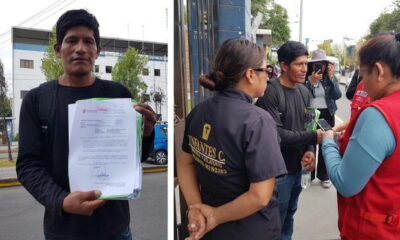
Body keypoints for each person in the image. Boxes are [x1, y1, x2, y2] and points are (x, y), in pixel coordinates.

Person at [16, 9, 156, 240]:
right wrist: (60, 200)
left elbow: (132, 159)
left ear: (97, 51)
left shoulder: (118, 95)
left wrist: (147, 132)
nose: (80, 48)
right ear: (58, 50)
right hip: (63, 230)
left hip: (115, 229)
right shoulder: (37, 100)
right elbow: (28, 165)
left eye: (88, 41)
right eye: (71, 40)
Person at [177, 38, 287, 240]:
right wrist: (214, 217)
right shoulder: (258, 121)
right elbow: (260, 196)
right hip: (251, 230)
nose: (269, 78)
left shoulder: (199, 112)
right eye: (266, 71)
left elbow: (184, 164)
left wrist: (195, 208)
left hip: (211, 231)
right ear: (251, 74)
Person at [322, 32, 400, 239]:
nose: (363, 85)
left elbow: (346, 183)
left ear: (378, 71)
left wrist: (328, 142)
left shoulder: (379, 114)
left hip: (371, 229)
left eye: (363, 76)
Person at [255, 41, 323, 240]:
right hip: (278, 172)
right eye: (299, 64)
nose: (305, 69)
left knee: (290, 214)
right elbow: (276, 135)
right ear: (284, 66)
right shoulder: (270, 92)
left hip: (299, 167)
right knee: (275, 218)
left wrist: (310, 150)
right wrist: (313, 137)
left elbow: (310, 124)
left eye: (306, 63)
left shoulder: (305, 91)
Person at [303, 49, 342, 188]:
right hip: (310, 113)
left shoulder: (330, 78)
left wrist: (331, 78)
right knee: (308, 143)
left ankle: (324, 176)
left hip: (327, 113)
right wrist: (311, 82)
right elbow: (303, 97)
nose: (319, 66)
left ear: (326, 65)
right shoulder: (306, 78)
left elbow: (337, 95)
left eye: (322, 64)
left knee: (326, 142)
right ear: (312, 66)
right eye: (316, 64)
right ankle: (308, 174)